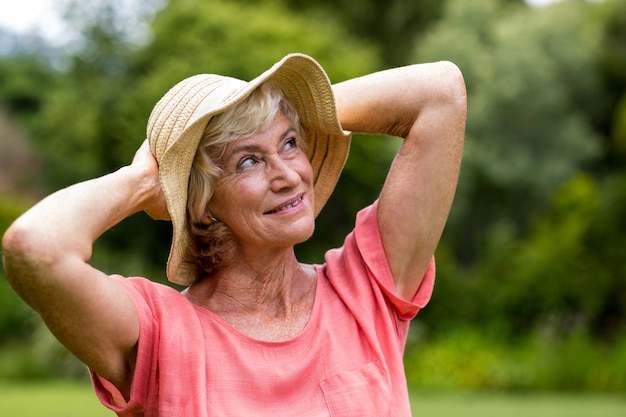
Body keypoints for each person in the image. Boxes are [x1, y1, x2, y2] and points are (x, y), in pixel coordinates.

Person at [2, 53, 466, 416]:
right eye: (249, 161)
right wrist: (148, 178)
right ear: (203, 205)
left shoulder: (364, 291)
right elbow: (34, 247)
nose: (288, 175)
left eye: (289, 142)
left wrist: (302, 112)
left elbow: (440, 92)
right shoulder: (161, 335)